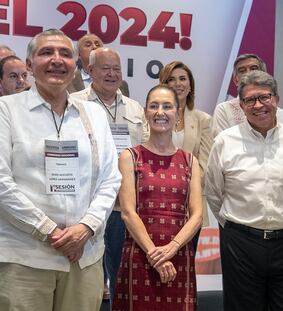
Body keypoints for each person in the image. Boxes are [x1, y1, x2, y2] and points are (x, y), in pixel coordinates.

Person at [0, 29, 121, 311]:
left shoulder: (94, 114)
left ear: (75, 65)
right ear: (29, 66)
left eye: (65, 54)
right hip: (26, 258)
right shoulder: (6, 110)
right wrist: (50, 231)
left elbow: (110, 177)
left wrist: (86, 227)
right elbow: (2, 182)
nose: (57, 60)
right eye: (46, 53)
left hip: (84, 255)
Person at [205, 70, 283, 311]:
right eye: (250, 100)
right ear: (241, 105)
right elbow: (213, 193)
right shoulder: (224, 141)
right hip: (241, 244)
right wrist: (237, 227)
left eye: (265, 97)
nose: (258, 105)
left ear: (276, 100)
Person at [112, 84, 203, 311]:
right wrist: (155, 254)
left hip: (179, 256)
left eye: (167, 106)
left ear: (177, 113)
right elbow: (127, 212)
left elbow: (197, 215)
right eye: (154, 106)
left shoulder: (190, 161)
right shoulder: (129, 156)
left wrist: (171, 248)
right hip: (139, 255)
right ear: (145, 112)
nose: (160, 112)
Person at [71, 46, 149, 304]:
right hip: (86, 206)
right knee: (85, 278)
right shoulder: (74, 103)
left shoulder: (135, 108)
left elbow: (145, 151)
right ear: (90, 70)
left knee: (121, 275)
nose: (112, 74)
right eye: (105, 68)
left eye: (117, 69)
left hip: (122, 206)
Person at [159, 60, 213, 248]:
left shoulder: (203, 120)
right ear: (163, 85)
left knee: (185, 269)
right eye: (171, 79)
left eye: (183, 79)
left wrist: (178, 186)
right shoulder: (148, 116)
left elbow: (204, 166)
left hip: (190, 205)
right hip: (155, 202)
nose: (178, 83)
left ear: (190, 86)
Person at [211, 53, 283, 137]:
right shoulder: (224, 110)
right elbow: (223, 146)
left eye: (253, 69)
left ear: (264, 75)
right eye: (242, 71)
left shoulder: (280, 114)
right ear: (235, 80)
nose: (248, 73)